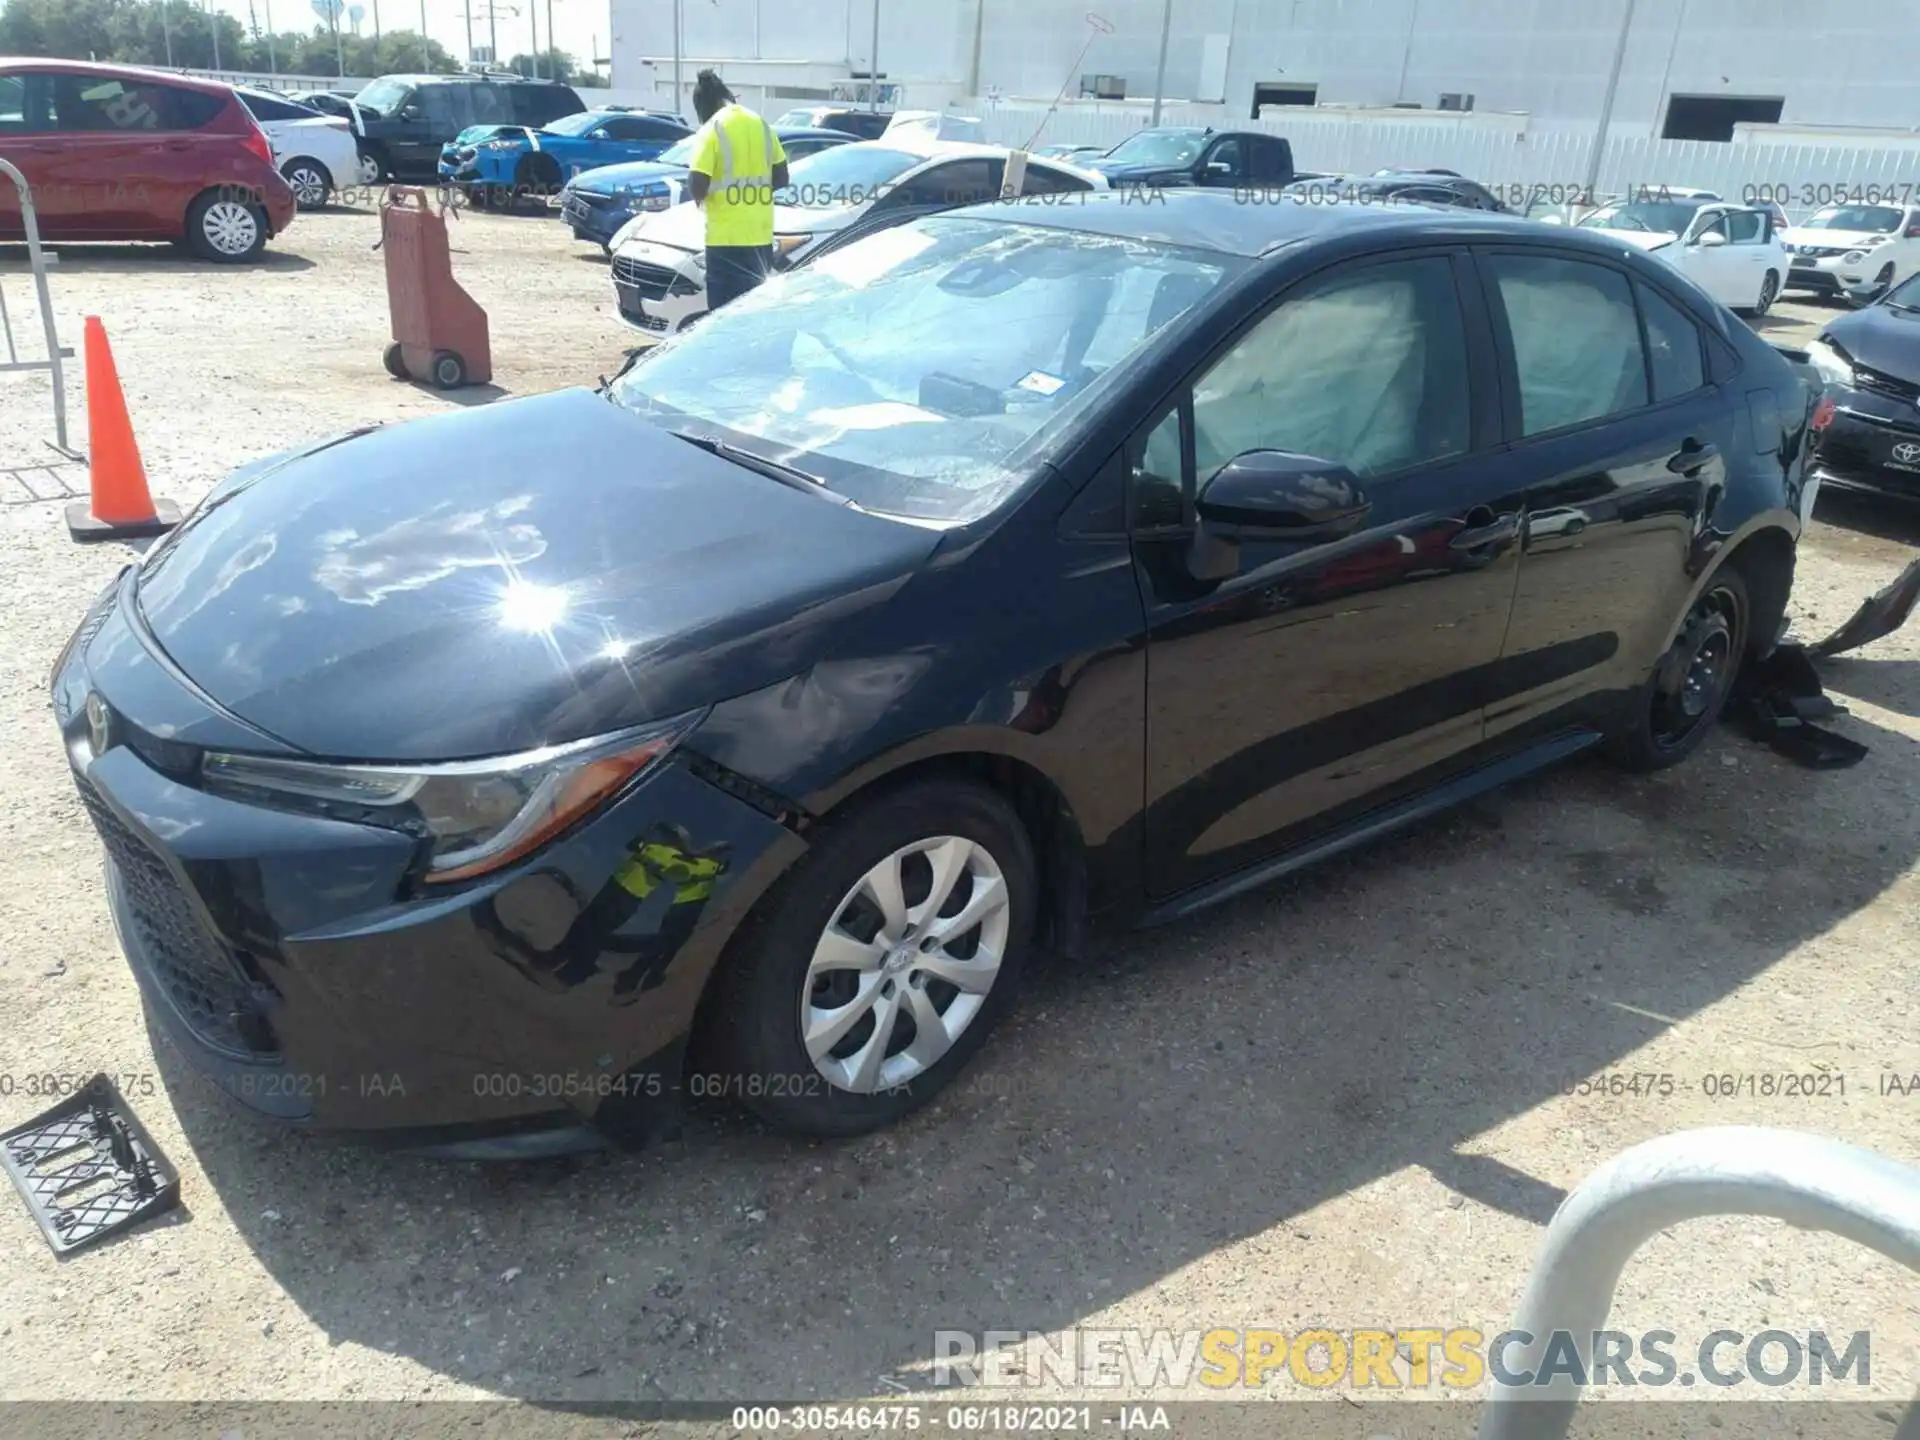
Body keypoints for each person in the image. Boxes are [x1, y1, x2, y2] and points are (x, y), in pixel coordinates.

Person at [684, 70, 789, 312]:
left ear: (703, 106)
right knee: (753, 316)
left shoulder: (712, 128)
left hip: (725, 244)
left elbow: (697, 185)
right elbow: (782, 177)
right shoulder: (761, 124)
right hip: (761, 242)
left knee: (722, 320)